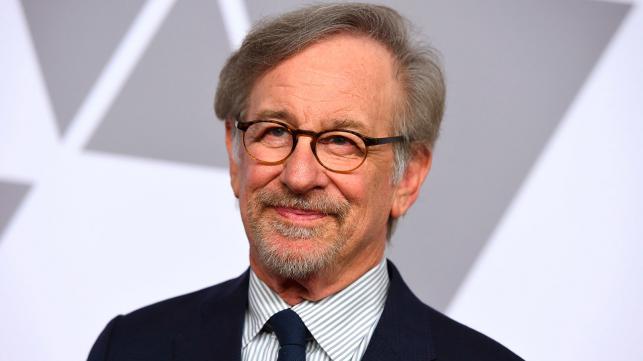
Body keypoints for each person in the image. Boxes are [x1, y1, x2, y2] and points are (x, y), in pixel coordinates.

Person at [88, 3, 522, 361]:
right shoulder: (128, 349)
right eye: (275, 131)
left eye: (341, 141)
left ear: (407, 177)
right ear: (235, 155)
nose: (299, 176)